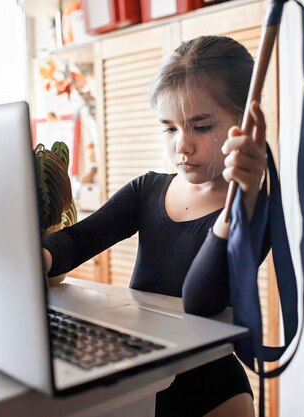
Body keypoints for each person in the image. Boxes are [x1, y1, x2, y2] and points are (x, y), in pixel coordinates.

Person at [42, 35, 268, 417]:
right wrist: (37, 258)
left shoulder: (254, 209)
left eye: (200, 126)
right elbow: (80, 239)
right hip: (143, 383)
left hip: (215, 396)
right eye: (170, 129)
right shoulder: (148, 189)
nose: (182, 145)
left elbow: (200, 301)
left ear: (245, 121)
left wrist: (238, 204)